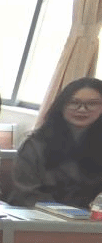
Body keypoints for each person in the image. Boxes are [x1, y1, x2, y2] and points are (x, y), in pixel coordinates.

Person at [9, 77, 102, 208]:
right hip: (37, 213)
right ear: (61, 105)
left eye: (92, 104)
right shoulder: (35, 145)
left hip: (91, 217)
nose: (82, 109)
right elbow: (26, 193)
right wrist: (68, 214)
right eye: (74, 102)